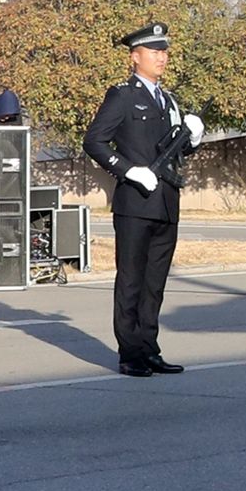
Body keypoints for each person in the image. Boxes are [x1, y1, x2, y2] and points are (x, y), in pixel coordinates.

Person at [84, 20, 201, 377]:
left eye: (164, 51)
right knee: (132, 280)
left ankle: (149, 347)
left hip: (166, 202)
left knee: (155, 284)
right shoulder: (122, 96)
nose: (161, 57)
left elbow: (175, 151)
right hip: (135, 202)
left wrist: (192, 140)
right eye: (153, 51)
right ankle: (130, 352)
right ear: (135, 57)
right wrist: (128, 170)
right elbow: (94, 141)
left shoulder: (169, 100)